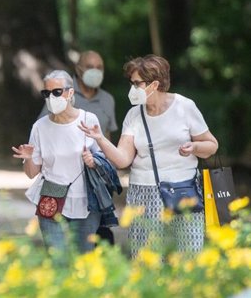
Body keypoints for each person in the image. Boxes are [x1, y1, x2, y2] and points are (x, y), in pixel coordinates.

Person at [79, 54, 218, 256]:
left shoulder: (184, 107)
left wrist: (194, 147)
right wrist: (100, 138)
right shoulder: (134, 115)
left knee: (189, 256)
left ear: (154, 84)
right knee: (146, 259)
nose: (132, 89)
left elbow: (212, 145)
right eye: (131, 83)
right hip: (143, 193)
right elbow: (122, 159)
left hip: (182, 190)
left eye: (137, 83)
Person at [13, 70, 104, 254]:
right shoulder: (40, 127)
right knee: (57, 259)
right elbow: (32, 173)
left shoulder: (88, 119)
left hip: (86, 200)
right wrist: (29, 158)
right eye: (46, 93)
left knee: (84, 259)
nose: (51, 97)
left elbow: (103, 160)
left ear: (70, 93)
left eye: (56, 92)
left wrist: (93, 160)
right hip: (51, 197)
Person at [39, 50, 118, 140]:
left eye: (99, 68)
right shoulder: (62, 94)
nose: (95, 71)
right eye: (89, 67)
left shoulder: (107, 100)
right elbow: (42, 129)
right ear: (78, 69)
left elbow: (107, 135)